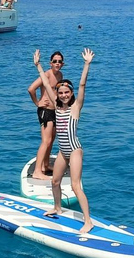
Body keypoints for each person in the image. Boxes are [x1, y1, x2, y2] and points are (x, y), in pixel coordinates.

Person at [34, 48, 95, 233]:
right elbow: (44, 81)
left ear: (71, 93)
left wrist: (86, 64)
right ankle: (58, 207)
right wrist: (38, 65)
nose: (63, 95)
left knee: (76, 186)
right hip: (62, 151)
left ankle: (88, 221)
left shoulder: (76, 107)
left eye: (66, 92)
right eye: (60, 93)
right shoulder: (56, 106)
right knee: (55, 182)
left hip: (74, 150)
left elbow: (82, 85)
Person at [27, 51, 64, 179]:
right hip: (45, 111)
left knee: (51, 139)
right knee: (46, 140)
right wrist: (38, 103)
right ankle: (38, 171)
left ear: (62, 64)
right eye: (55, 61)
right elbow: (31, 89)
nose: (57, 63)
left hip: (55, 112)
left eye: (59, 61)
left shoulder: (60, 75)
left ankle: (46, 165)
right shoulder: (47, 75)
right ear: (50, 63)